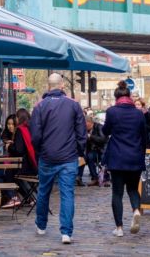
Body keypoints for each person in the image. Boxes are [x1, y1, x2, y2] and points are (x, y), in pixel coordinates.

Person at [30, 73, 87, 245]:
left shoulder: (39, 106)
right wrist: (79, 151)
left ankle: (41, 225)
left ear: (49, 86)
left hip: (47, 156)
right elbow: (81, 133)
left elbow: (35, 136)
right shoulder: (74, 105)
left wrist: (40, 151)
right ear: (62, 85)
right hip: (68, 157)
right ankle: (66, 232)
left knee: (43, 191)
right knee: (67, 194)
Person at [102, 80, 146, 238]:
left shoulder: (112, 112)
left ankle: (119, 228)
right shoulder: (138, 113)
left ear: (116, 97)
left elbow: (105, 131)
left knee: (117, 193)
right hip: (135, 157)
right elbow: (144, 136)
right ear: (129, 97)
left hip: (117, 157)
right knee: (133, 189)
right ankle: (135, 210)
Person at [77, 113, 106, 187]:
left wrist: (91, 136)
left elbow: (103, 139)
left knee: (90, 157)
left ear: (89, 122)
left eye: (84, 123)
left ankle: (96, 178)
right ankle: (79, 177)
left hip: (101, 150)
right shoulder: (84, 130)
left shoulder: (99, 127)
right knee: (82, 158)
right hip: (91, 151)